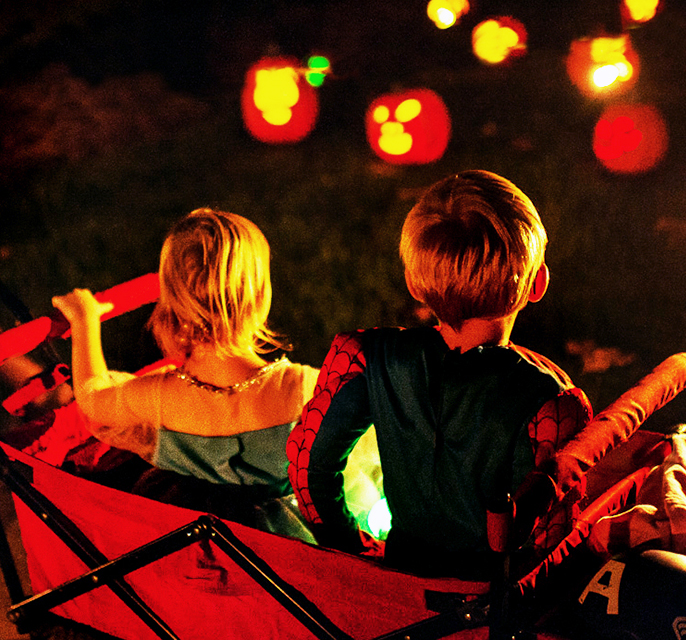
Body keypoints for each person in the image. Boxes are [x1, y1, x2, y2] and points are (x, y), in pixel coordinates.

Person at [287, 170, 593, 578]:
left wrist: (354, 551)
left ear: (414, 283)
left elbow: (308, 465)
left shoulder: (364, 358)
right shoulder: (552, 403)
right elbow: (552, 541)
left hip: (399, 578)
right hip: (490, 605)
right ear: (539, 283)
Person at [50, 208, 324, 535]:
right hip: (280, 550)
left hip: (186, 544)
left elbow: (92, 399)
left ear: (171, 301)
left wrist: (85, 321)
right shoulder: (304, 388)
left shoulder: (158, 396)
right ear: (259, 293)